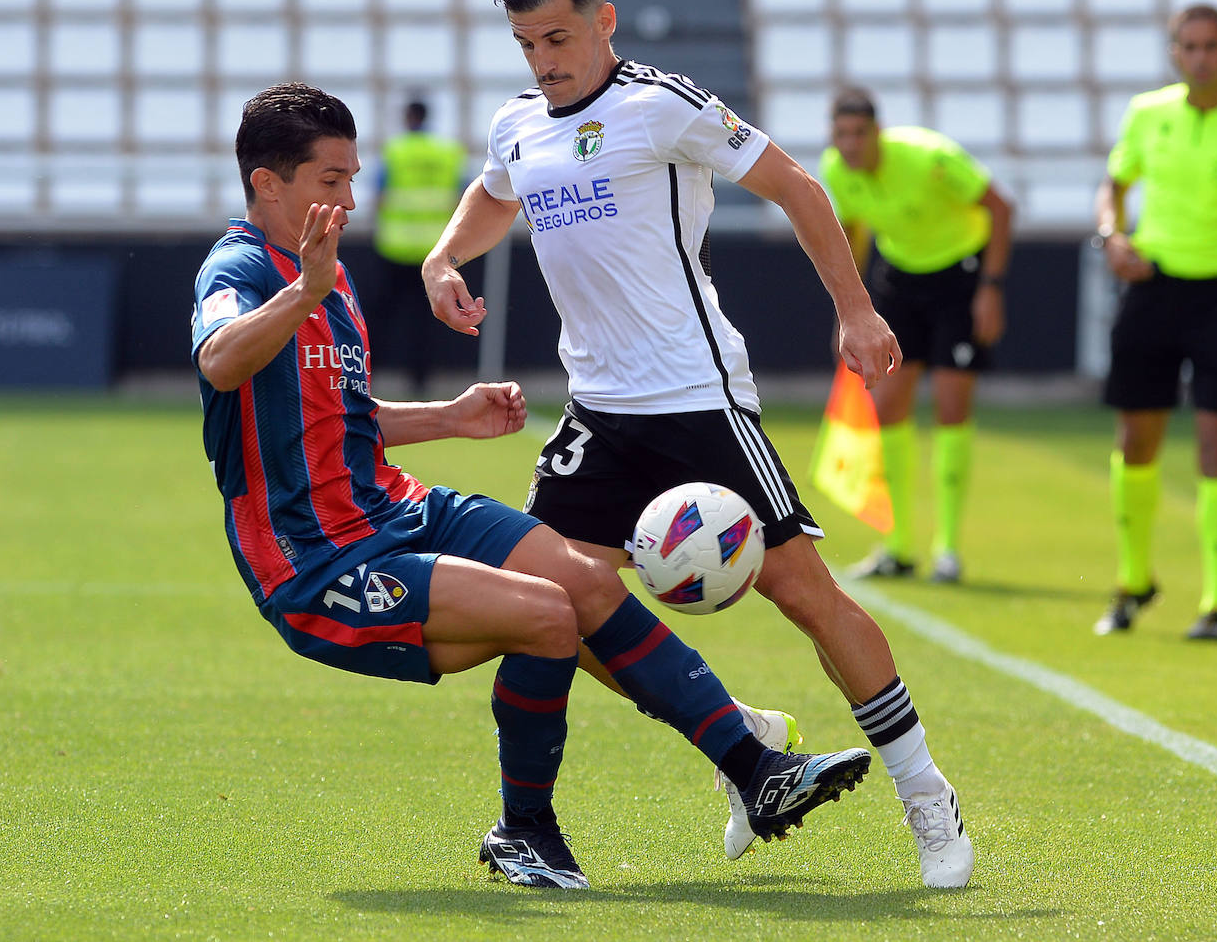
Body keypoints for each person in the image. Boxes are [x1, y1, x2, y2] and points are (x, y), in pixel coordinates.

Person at [192, 82, 872, 891]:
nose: (346, 197)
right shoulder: (244, 267)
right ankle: (525, 831)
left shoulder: (327, 273)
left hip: (395, 508)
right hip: (314, 558)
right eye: (328, 181)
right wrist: (304, 287)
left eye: (349, 178)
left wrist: (449, 415)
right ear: (268, 184)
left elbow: (337, 416)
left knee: (582, 579)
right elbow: (219, 361)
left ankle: (754, 767)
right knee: (548, 615)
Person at [421, 0, 974, 889]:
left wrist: (855, 308)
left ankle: (926, 794)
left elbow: (797, 185)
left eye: (556, 36)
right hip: (595, 412)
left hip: (696, 401)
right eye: (524, 43)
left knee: (804, 594)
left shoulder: (660, 105)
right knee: (553, 608)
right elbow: (491, 191)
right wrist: (443, 259)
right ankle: (737, 736)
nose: (543, 60)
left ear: (604, 20)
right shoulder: (518, 124)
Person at [1092, 4, 1217, 642]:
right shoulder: (1147, 113)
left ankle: (1215, 605)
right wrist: (1111, 236)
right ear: (1175, 52)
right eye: (1190, 46)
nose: (1201, 56)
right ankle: (1132, 583)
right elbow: (1113, 184)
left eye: (1211, 46)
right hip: (1153, 288)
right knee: (1137, 443)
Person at [819, 88, 1014, 585]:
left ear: (877, 132)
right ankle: (899, 545)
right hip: (900, 280)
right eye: (841, 135)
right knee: (888, 409)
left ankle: (947, 548)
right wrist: (850, 308)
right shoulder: (837, 172)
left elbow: (1001, 208)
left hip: (959, 277)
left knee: (951, 406)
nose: (850, 145)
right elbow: (854, 233)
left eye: (859, 133)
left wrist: (990, 289)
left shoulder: (931, 158)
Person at [372, 99, 466, 394]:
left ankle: (368, 375)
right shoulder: (448, 152)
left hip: (395, 247)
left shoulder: (394, 151)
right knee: (425, 320)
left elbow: (380, 196)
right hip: (434, 250)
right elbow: (463, 197)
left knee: (382, 317)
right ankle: (420, 382)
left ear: (407, 117)